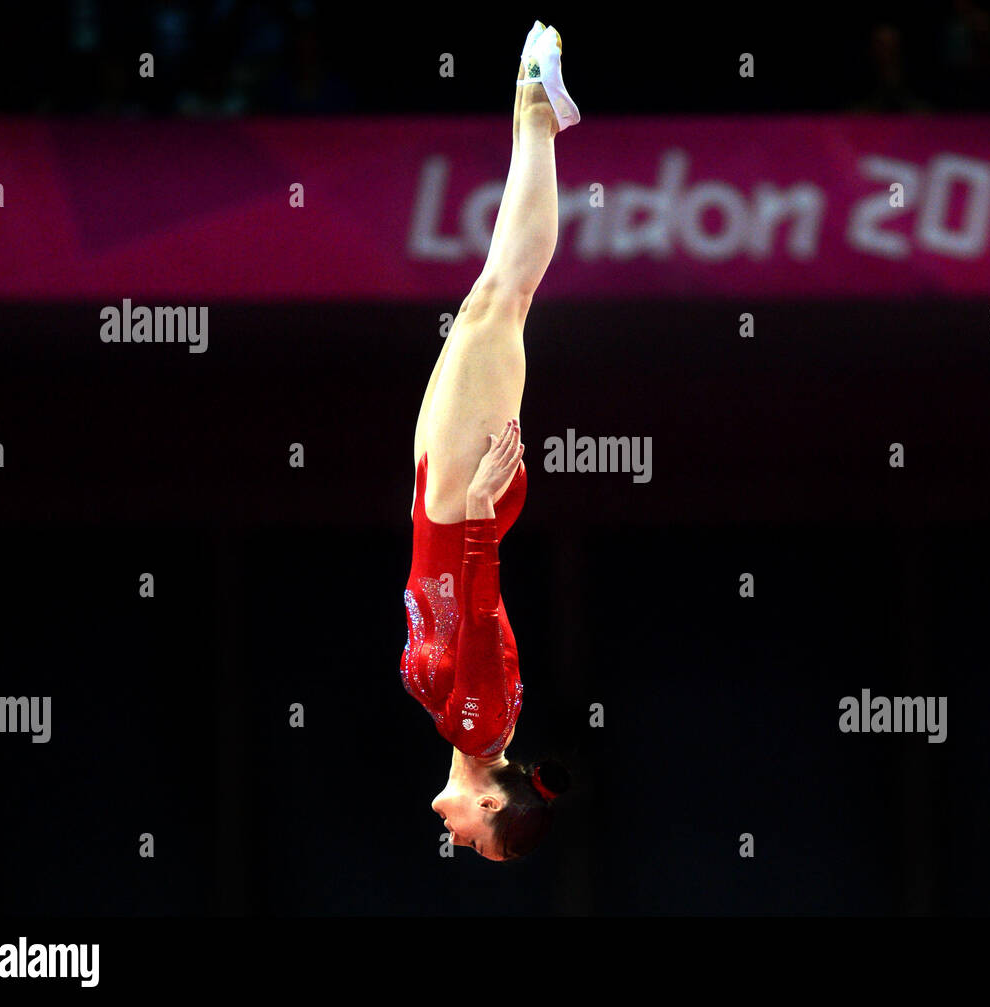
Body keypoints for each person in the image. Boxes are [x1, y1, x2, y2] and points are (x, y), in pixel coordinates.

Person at [400, 22, 576, 861]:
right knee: (504, 299)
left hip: (444, 501)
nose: (456, 837)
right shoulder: (479, 723)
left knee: (488, 302)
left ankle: (531, 102)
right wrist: (473, 508)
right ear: (491, 803)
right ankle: (537, 113)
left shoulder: (467, 722)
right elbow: (476, 611)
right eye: (477, 841)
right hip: (461, 502)